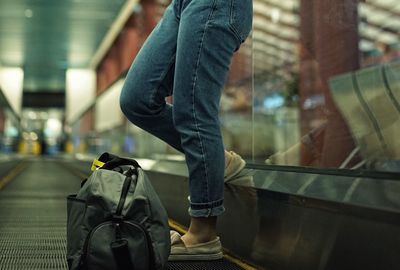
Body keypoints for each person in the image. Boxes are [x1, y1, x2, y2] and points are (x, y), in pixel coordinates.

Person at [120, 0, 253, 261]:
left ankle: (204, 232)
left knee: (192, 108)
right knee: (136, 99)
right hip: (182, 4)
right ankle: (219, 161)